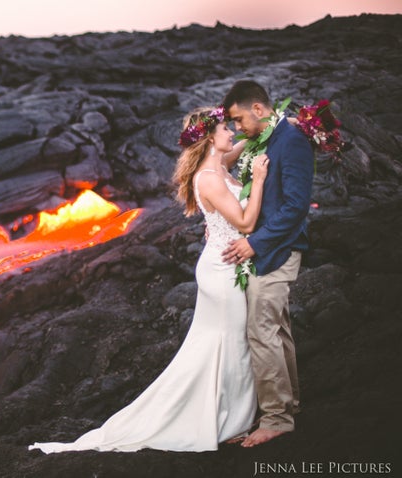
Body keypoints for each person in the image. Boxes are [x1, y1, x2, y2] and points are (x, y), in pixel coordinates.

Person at [29, 106, 269, 454]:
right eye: (224, 128)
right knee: (231, 343)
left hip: (225, 263)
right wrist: (258, 180)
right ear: (209, 138)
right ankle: (221, 419)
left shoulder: (219, 164)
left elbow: (246, 142)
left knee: (223, 345)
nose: (231, 131)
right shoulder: (210, 177)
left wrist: (279, 123)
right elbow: (246, 224)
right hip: (222, 270)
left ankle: (225, 415)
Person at [221, 80, 314, 448]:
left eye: (239, 119)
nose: (237, 128)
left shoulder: (290, 143)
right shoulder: (271, 136)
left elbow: (295, 207)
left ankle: (277, 418)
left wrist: (253, 243)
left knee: (261, 331)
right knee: (278, 329)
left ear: (258, 109)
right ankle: (290, 403)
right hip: (268, 249)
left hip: (276, 251)